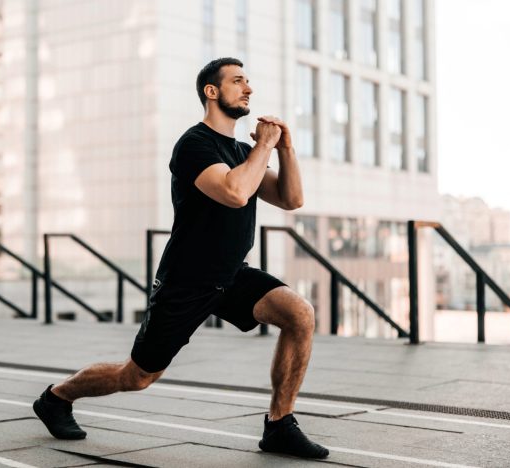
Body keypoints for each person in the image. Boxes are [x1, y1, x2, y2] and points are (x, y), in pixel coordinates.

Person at [33, 57, 329, 460]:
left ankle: (279, 425)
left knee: (299, 314)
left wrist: (287, 149)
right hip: (187, 280)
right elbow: (234, 192)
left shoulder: (244, 150)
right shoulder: (194, 145)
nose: (249, 89)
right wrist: (263, 147)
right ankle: (56, 397)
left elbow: (291, 199)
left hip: (231, 275)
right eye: (238, 81)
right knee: (137, 376)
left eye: (249, 82)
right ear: (212, 91)